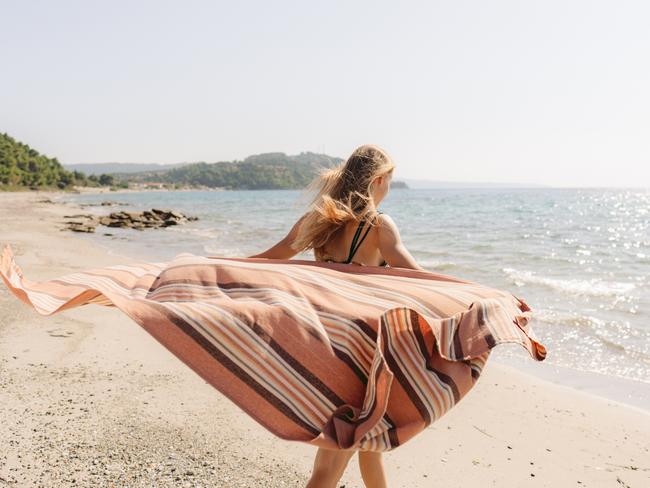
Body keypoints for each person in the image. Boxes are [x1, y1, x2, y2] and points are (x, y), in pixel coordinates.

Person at [249, 144, 424, 488]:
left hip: (326, 347)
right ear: (378, 180)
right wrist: (480, 296)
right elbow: (421, 279)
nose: (388, 188)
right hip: (363, 357)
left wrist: (219, 269)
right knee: (329, 468)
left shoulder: (320, 220)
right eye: (389, 181)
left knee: (369, 447)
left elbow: (271, 257)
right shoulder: (379, 226)